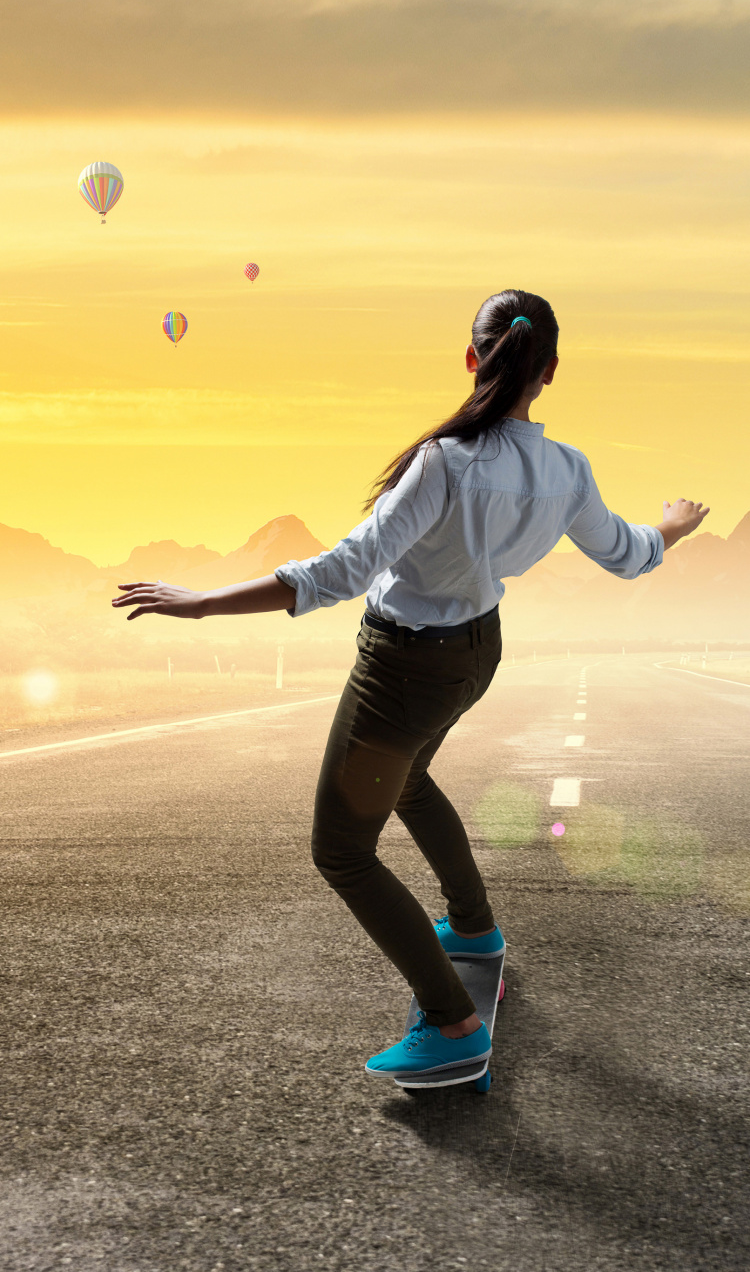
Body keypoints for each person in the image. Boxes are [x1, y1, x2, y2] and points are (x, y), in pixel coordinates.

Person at [112, 289, 710, 1078]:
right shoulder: (568, 470)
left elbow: (343, 571)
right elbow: (629, 553)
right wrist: (672, 524)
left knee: (342, 851)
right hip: (475, 655)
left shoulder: (446, 461)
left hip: (401, 668)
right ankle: (473, 927)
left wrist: (202, 604)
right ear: (551, 371)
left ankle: (453, 1023)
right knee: (411, 779)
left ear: (472, 358)